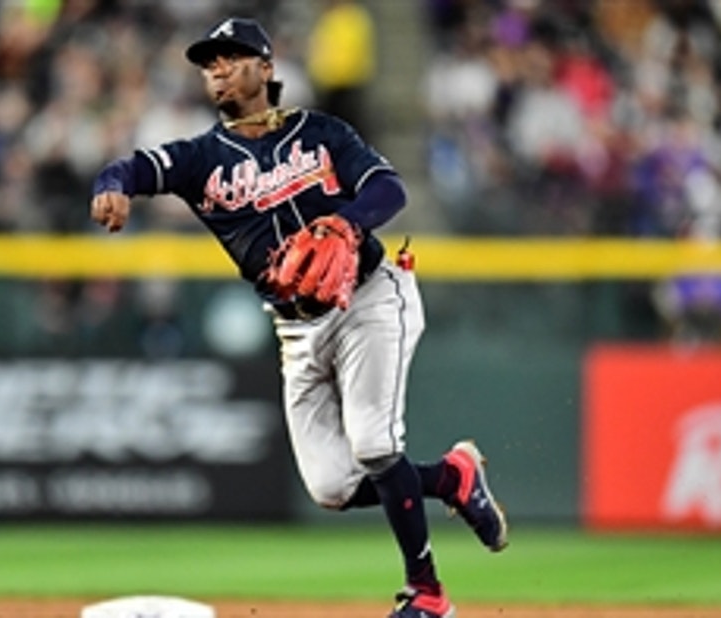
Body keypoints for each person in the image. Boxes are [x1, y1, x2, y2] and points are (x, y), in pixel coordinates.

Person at [90, 18, 508, 618]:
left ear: (266, 67)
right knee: (331, 488)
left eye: (232, 58)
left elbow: (388, 189)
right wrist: (111, 185)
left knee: (372, 442)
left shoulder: (322, 133)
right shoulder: (201, 157)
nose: (218, 70)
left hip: (369, 297)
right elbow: (132, 167)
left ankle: (429, 595)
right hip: (297, 328)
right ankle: (451, 478)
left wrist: (347, 222)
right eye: (210, 63)